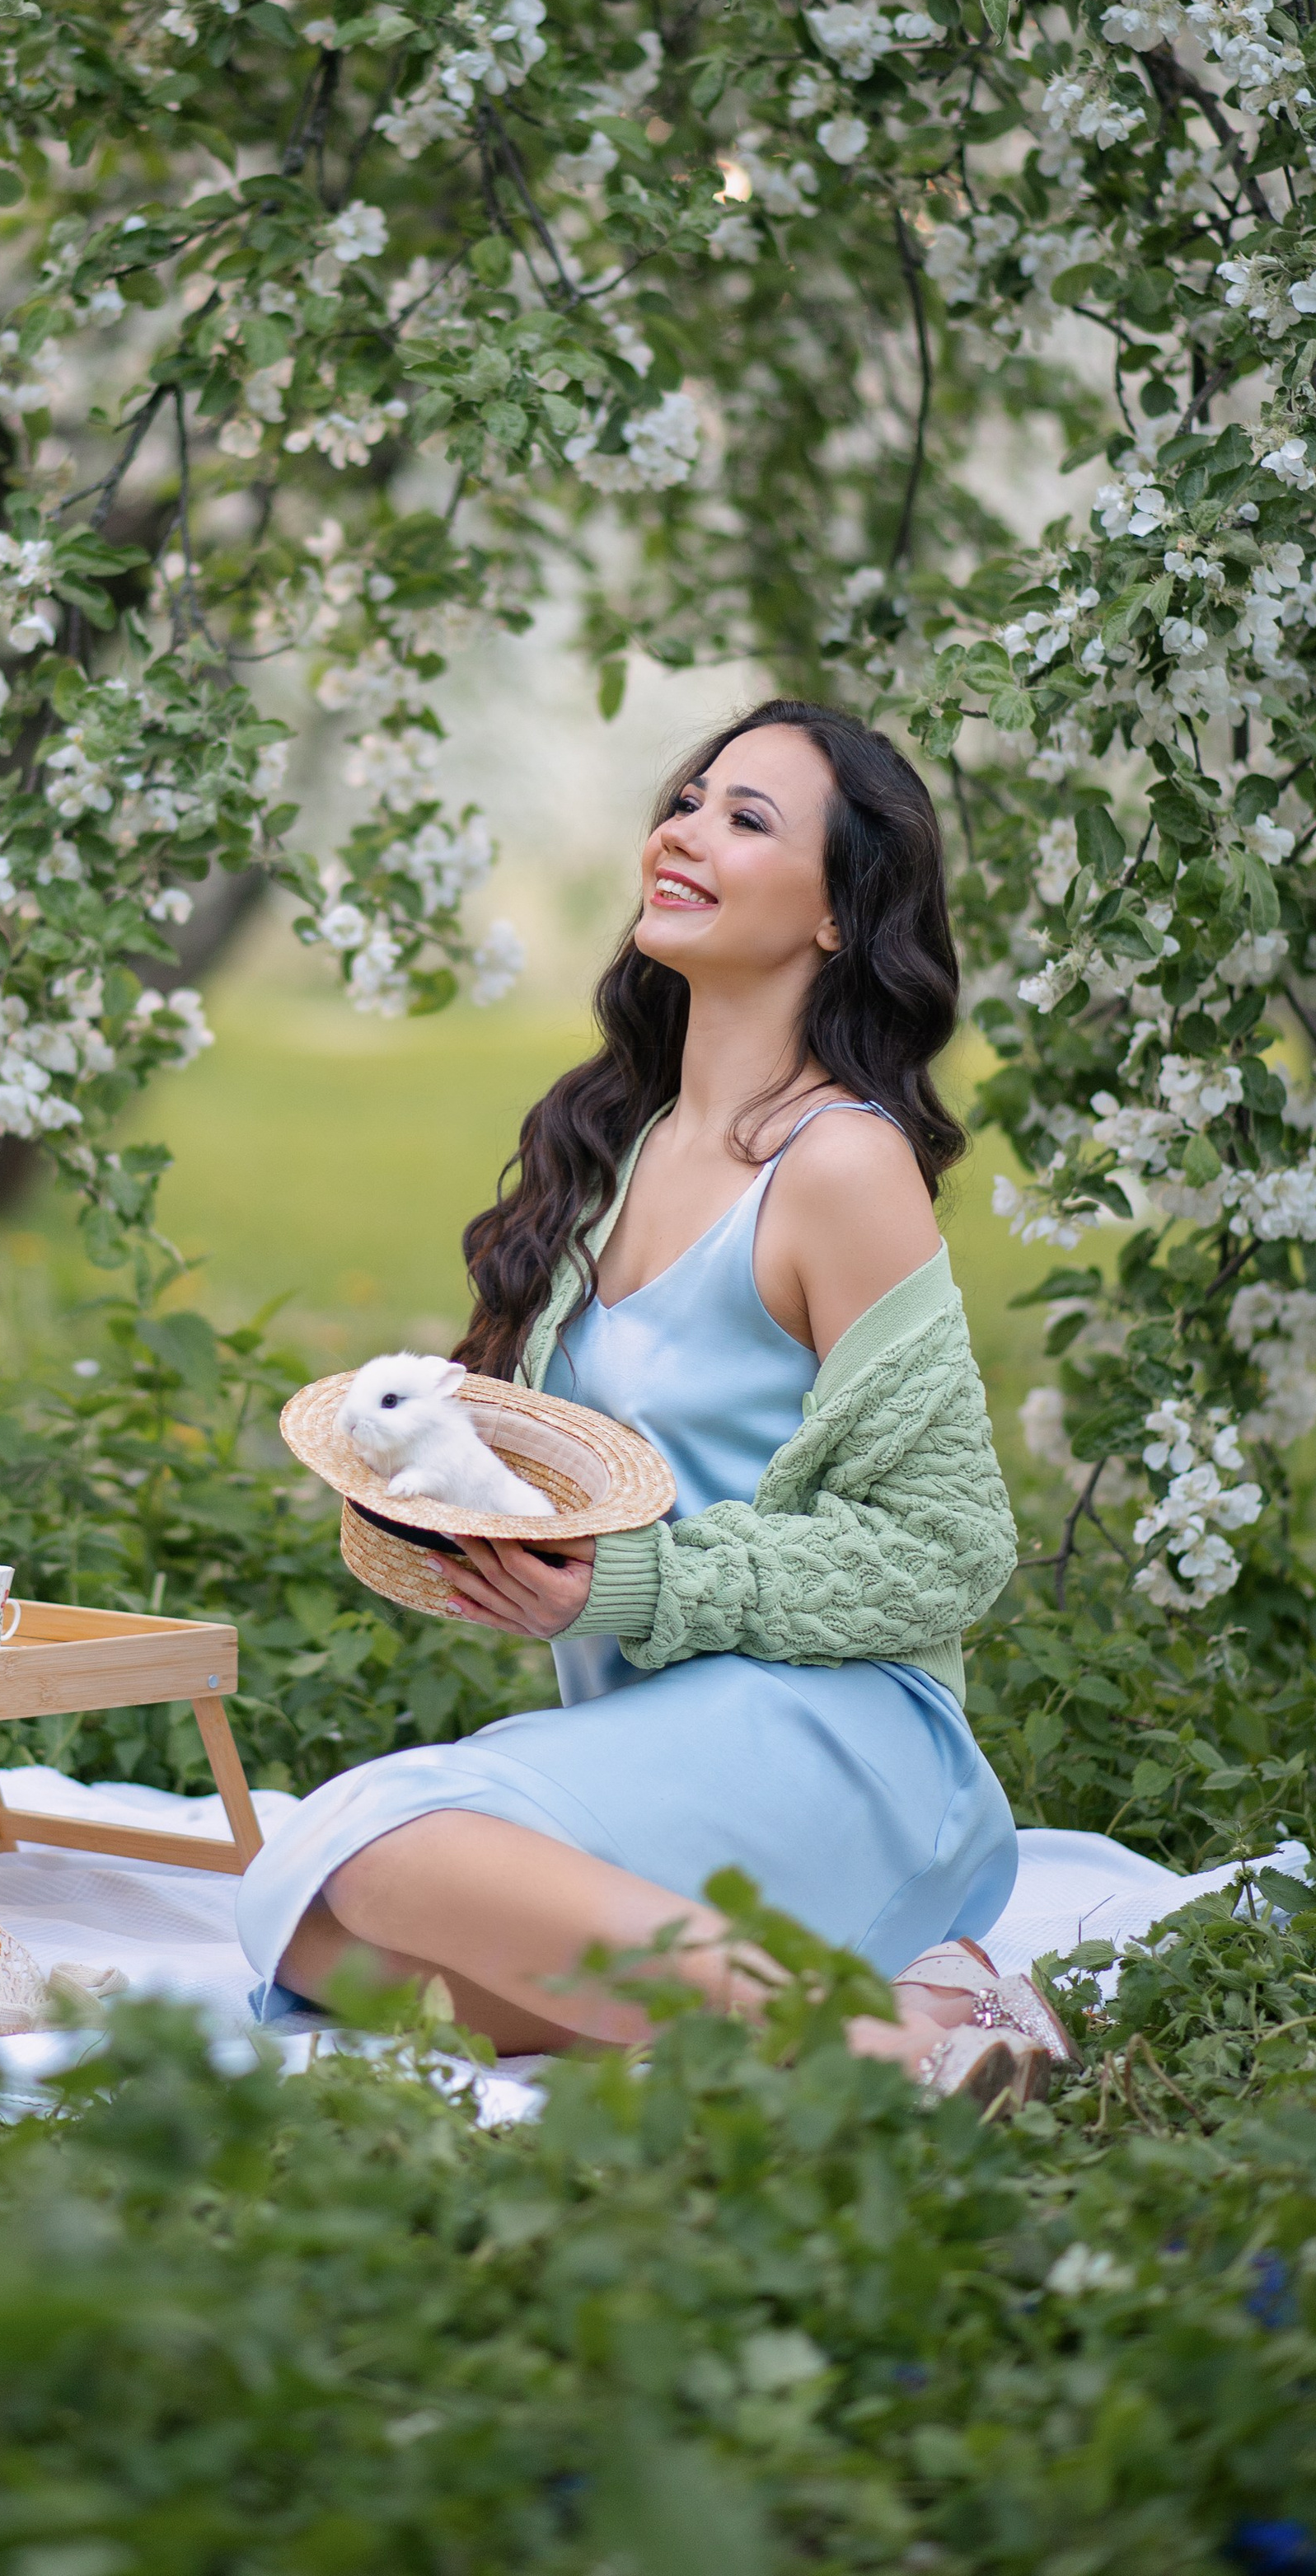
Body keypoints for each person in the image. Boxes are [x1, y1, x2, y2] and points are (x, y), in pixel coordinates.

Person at [237, 700, 1069, 2101]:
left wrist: (634, 1582)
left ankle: (875, 2052)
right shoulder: (612, 1147)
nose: (685, 832)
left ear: (836, 920)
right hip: (661, 1732)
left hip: (838, 1737)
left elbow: (946, 1548)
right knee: (312, 1929)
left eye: (748, 820)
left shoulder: (839, 1166)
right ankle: (906, 1999)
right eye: (689, 799)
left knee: (378, 1843)